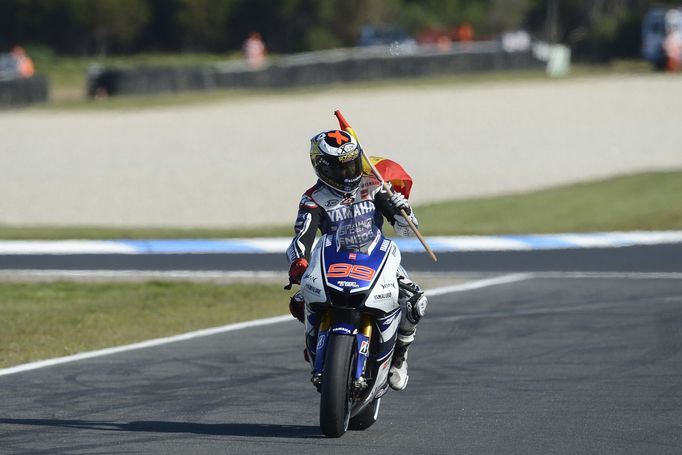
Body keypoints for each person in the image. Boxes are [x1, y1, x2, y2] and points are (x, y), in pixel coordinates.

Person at [286, 128, 428, 391]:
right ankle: (316, 345)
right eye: (340, 168)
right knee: (299, 301)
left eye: (352, 163)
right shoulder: (313, 198)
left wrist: (403, 209)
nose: (348, 172)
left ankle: (399, 357)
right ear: (321, 167)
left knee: (415, 301)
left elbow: (406, 230)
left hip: (375, 258)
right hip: (331, 260)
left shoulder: (374, 185)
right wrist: (299, 263)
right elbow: (301, 238)